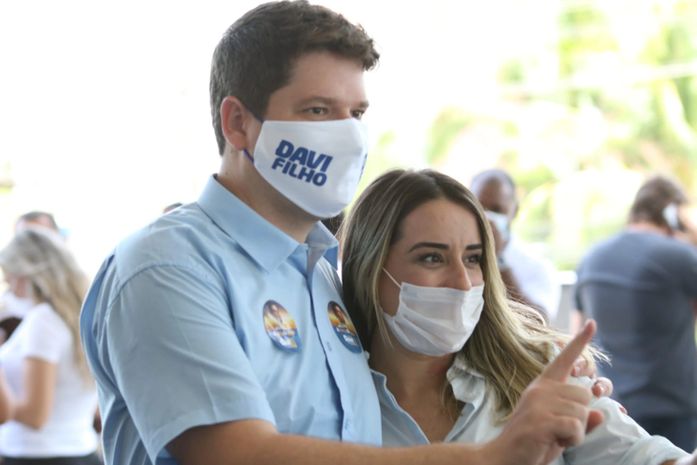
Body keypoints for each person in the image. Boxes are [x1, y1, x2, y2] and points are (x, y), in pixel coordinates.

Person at [80, 2, 609, 465]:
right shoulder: (169, 266)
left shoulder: (317, 274)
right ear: (238, 123)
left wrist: (535, 372)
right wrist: (492, 456)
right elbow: (239, 454)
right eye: (318, 111)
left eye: (356, 113)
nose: (348, 136)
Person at [341, 168, 693, 464]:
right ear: (371, 267)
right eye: (432, 258)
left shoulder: (533, 370)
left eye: (473, 258)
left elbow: (639, 455)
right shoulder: (332, 394)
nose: (463, 282)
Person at [574, 175, 697, 451]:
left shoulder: (591, 258)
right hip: (673, 413)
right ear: (674, 214)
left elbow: (577, 334)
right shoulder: (680, 256)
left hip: (612, 411)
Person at [0, 228, 101, 464]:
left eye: (10, 275)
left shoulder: (43, 321)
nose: (9, 284)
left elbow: (35, 416)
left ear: (26, 273)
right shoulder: (80, 316)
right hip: (77, 450)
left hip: (39, 455)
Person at [470, 169, 561, 322]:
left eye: (497, 209)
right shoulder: (457, 258)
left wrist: (497, 259)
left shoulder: (537, 266)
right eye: (480, 207)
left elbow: (539, 322)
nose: (487, 217)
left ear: (515, 211)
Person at [1, 211, 62, 343]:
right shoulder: (7, 302)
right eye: (21, 238)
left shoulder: (70, 301)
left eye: (36, 238)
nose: (28, 247)